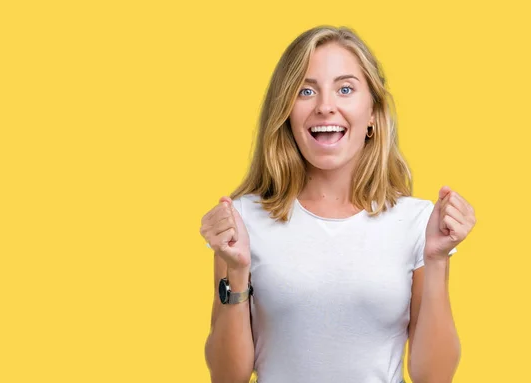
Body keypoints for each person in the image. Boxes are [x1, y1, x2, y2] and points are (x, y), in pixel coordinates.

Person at [199, 26, 476, 383]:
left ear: (373, 113)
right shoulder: (242, 221)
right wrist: (236, 272)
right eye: (305, 90)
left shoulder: (418, 223)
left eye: (345, 89)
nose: (325, 106)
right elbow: (226, 376)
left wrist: (436, 260)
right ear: (285, 111)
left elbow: (433, 377)